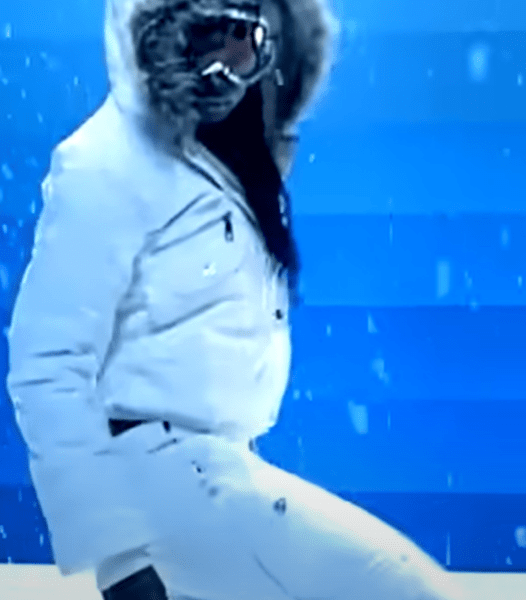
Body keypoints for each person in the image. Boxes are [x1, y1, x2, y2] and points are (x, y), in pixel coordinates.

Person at [5, 1, 463, 599]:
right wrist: (117, 556)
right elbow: (47, 363)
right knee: (407, 589)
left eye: (244, 40)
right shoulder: (106, 162)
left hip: (226, 472)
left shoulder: (228, 165)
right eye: (205, 36)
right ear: (160, 37)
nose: (225, 65)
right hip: (162, 483)